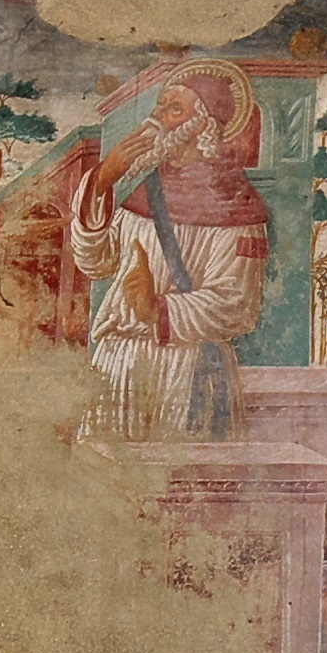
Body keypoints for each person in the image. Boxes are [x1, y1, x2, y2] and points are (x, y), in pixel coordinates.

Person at [64, 62, 265, 440]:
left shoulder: (236, 203)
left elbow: (239, 304)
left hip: (186, 368)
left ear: (201, 125)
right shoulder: (146, 190)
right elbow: (96, 263)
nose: (157, 116)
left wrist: (158, 309)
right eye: (160, 105)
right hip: (120, 361)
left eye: (174, 109)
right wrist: (104, 181)